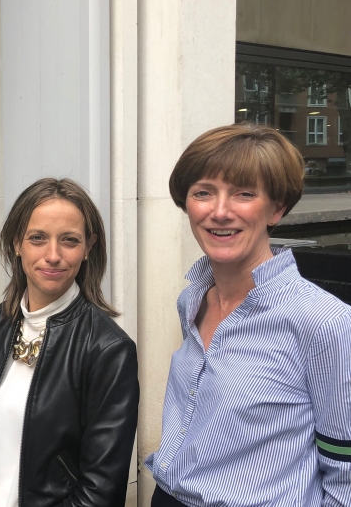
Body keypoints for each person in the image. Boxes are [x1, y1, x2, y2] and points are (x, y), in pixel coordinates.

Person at [146, 123, 351, 506]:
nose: (220, 212)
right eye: (203, 193)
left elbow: (346, 472)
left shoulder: (323, 323)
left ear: (277, 208)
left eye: (243, 194)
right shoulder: (192, 300)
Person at [0, 178, 139, 507]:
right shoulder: (1, 320)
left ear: (88, 248)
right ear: (16, 243)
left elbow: (101, 490)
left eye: (69, 240)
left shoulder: (108, 349)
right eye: (37, 238)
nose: (52, 255)